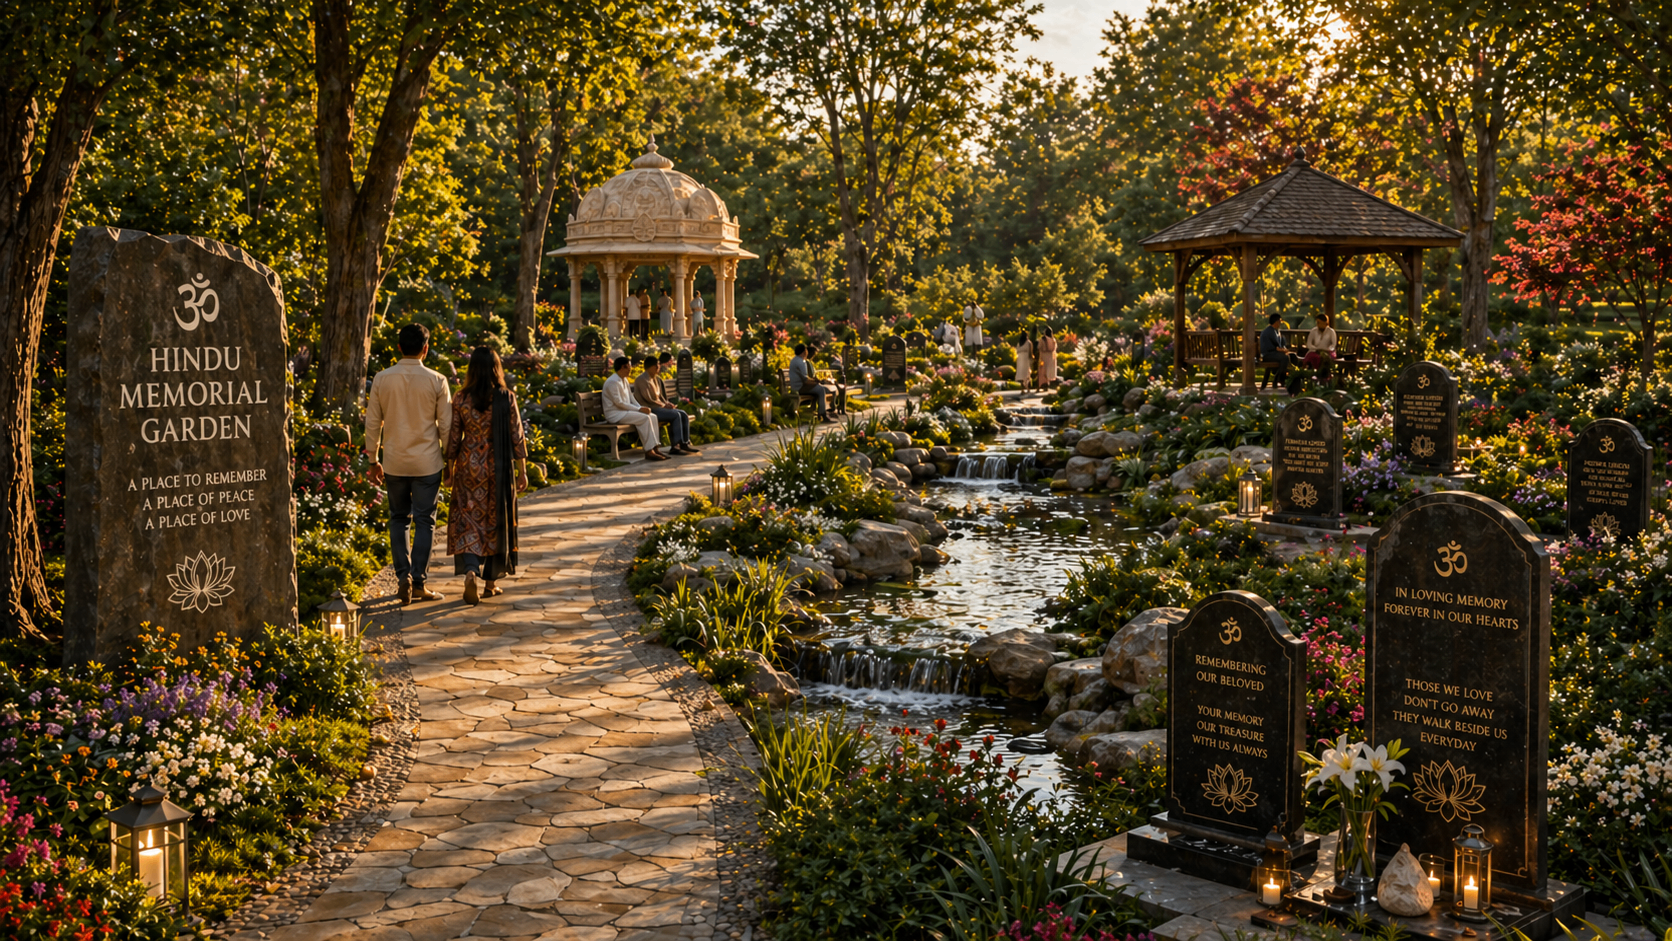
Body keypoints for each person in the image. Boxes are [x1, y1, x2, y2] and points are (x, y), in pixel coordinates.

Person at [365, 323, 452, 605]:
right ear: (425, 349)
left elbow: (372, 422)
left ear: (399, 347)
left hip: (394, 461)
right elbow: (447, 426)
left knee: (398, 519)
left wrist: (372, 459)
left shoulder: (381, 378)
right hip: (427, 462)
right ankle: (419, 583)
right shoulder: (437, 380)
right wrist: (450, 460)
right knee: (425, 521)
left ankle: (403, 578)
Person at [444, 347, 526, 606]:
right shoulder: (506, 397)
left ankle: (471, 571)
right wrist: (523, 470)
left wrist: (449, 468)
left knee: (469, 518)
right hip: (497, 466)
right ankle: (491, 583)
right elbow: (516, 435)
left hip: (469, 464)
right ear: (496, 368)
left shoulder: (460, 398)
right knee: (496, 519)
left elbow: (454, 437)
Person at [635, 355, 702, 455]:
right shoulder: (642, 379)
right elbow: (648, 399)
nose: (659, 369)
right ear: (653, 367)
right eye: (658, 366)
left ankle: (684, 443)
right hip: (649, 409)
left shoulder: (656, 379)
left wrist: (667, 403)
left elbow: (660, 397)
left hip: (658, 407)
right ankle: (675, 445)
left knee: (682, 413)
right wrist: (663, 406)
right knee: (675, 415)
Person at [603, 356, 668, 461]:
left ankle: (655, 448)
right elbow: (619, 403)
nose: (630, 369)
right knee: (645, 418)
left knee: (652, 416)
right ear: (621, 367)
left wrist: (641, 407)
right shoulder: (612, 382)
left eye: (630, 366)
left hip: (624, 412)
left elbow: (631, 398)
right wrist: (638, 410)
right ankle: (649, 451)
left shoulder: (624, 380)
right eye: (627, 367)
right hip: (615, 414)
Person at [788, 343, 832, 421]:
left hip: (795, 386)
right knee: (821, 389)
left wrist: (815, 382)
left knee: (820, 388)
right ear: (804, 352)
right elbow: (805, 381)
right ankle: (822, 414)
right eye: (806, 350)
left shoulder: (794, 360)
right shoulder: (801, 362)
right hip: (800, 388)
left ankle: (819, 412)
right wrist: (815, 382)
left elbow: (804, 378)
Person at [1259, 312, 1298, 394]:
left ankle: (1293, 377)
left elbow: (1280, 345)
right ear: (1276, 322)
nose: (1280, 323)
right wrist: (1281, 350)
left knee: (1293, 356)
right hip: (1268, 355)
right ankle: (1279, 378)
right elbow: (1271, 347)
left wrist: (1284, 349)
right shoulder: (1268, 332)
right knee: (1285, 358)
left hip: (1275, 354)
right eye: (1279, 321)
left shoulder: (1276, 331)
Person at [812, 343, 848, 416]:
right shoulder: (806, 362)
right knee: (827, 389)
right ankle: (825, 411)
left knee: (838, 389)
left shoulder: (808, 362)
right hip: (811, 385)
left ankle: (833, 407)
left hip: (818, 383)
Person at [1304, 312, 1338, 383]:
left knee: (1325, 358)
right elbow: (1309, 343)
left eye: (1319, 322)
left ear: (1325, 323)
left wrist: (1327, 349)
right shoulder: (1313, 331)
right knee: (1313, 357)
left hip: (1328, 352)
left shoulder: (1331, 331)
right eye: (1317, 322)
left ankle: (1325, 377)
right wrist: (1315, 349)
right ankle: (1313, 375)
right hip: (1315, 351)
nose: (1317, 324)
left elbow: (1333, 344)